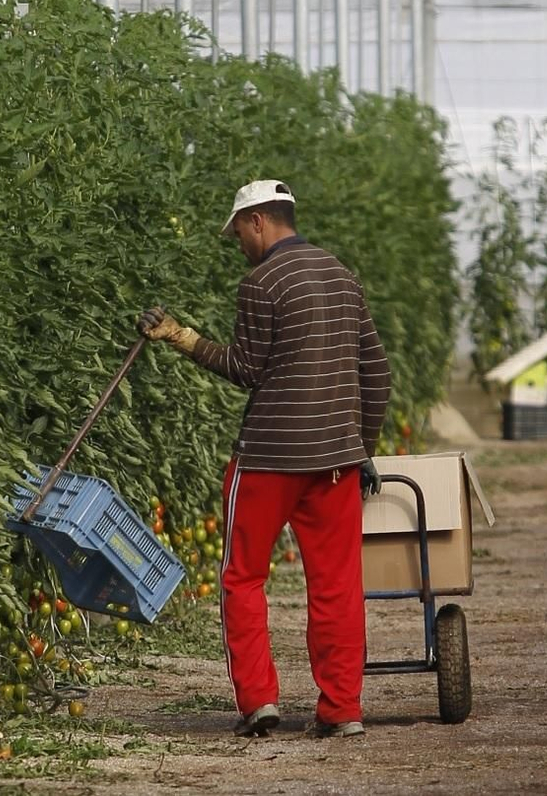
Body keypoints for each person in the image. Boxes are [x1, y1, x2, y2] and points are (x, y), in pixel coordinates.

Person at [137, 179, 390, 740]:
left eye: (238, 235)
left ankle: (259, 702)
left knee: (242, 578)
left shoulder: (263, 282)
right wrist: (361, 448)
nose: (239, 246)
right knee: (337, 585)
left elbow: (246, 369)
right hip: (333, 462)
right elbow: (378, 375)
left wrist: (181, 336)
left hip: (268, 461)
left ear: (258, 222)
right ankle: (342, 709)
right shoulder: (344, 279)